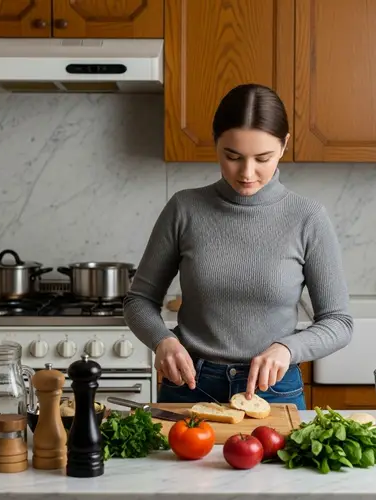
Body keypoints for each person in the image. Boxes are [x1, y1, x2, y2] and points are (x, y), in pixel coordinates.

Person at [124, 83, 353, 410]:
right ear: (215, 143)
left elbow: (339, 322)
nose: (247, 174)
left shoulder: (308, 217)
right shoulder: (184, 208)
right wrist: (163, 341)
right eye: (232, 157)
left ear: (284, 145)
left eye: (263, 158)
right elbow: (138, 300)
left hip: (273, 390)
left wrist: (287, 349)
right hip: (190, 385)